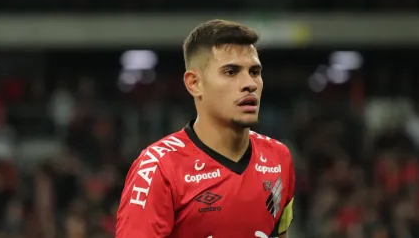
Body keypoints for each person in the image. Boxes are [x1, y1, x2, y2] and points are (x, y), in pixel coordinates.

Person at [116, 19, 295, 238]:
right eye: (231, 72)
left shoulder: (279, 158)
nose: (250, 84)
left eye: (255, 72)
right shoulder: (157, 168)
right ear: (194, 83)